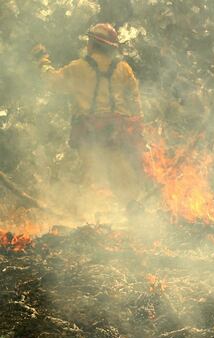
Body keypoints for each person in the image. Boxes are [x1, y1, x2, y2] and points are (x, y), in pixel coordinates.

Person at [33, 23, 145, 214]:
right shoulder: (124, 68)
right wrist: (138, 131)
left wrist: (42, 61)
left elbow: (52, 81)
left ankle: (83, 215)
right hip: (116, 133)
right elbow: (135, 102)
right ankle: (132, 209)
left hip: (88, 133)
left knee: (89, 174)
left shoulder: (78, 68)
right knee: (121, 173)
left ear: (92, 44)